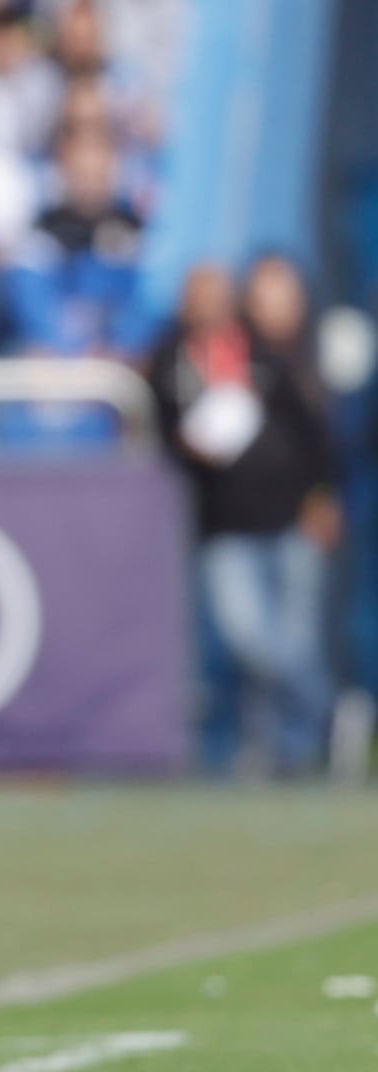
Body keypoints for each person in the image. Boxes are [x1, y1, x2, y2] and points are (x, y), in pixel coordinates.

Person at [149, 262, 339, 777]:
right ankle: (331, 710)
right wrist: (186, 443)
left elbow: (311, 431)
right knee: (249, 635)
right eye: (196, 294)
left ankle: (295, 750)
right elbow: (162, 431)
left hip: (290, 514)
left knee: (294, 635)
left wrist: (322, 496)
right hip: (224, 521)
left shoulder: (263, 354)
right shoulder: (169, 360)